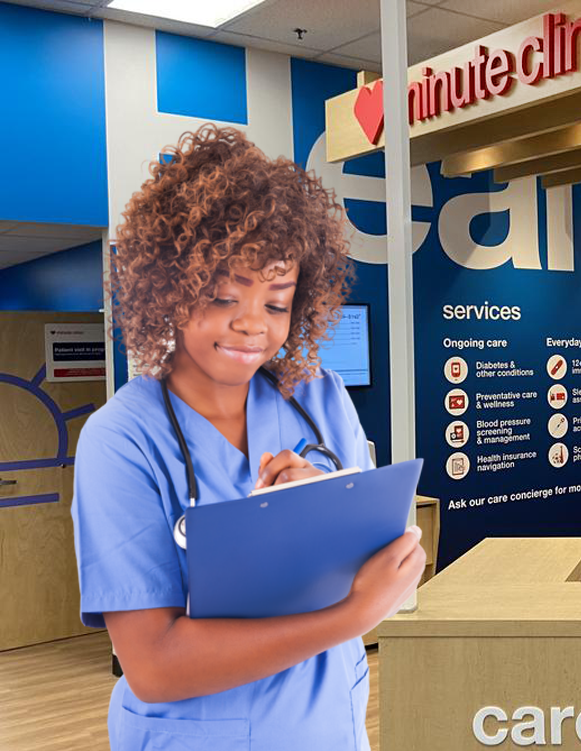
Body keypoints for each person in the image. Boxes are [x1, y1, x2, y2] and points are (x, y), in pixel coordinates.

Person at [71, 124, 424, 751]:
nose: (250, 326)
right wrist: (351, 616)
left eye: (276, 302)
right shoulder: (121, 440)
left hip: (329, 730)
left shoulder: (319, 397)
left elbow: (392, 567)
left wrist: (330, 504)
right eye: (224, 295)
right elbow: (153, 666)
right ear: (169, 290)